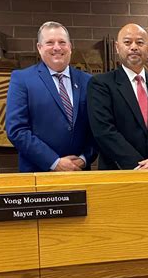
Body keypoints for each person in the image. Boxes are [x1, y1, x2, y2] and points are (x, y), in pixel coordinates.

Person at [6, 21, 96, 172]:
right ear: (39, 48)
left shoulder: (88, 81)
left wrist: (83, 159)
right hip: (39, 173)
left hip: (79, 172)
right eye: (49, 42)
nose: (57, 47)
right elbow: (17, 130)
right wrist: (54, 162)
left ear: (70, 47)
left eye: (62, 42)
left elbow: (96, 127)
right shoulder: (22, 79)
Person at [87, 23, 148, 170]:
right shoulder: (101, 84)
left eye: (140, 42)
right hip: (118, 174)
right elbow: (104, 131)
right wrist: (139, 167)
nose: (134, 47)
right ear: (117, 47)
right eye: (127, 42)